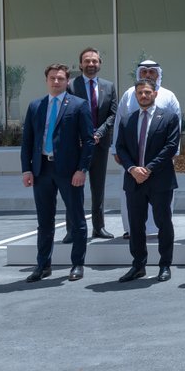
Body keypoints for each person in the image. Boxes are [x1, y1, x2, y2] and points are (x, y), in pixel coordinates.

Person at [19, 63, 93, 283]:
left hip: (69, 171)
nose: (56, 82)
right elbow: (27, 142)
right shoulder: (35, 106)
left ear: (67, 81)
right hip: (42, 169)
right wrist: (26, 169)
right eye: (52, 78)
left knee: (77, 218)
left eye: (61, 78)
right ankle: (43, 265)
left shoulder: (78, 105)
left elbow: (88, 140)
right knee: (45, 220)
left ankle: (77, 264)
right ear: (46, 80)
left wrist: (82, 169)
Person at [114, 79, 181, 283]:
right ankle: (138, 265)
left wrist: (148, 168)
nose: (144, 96)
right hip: (134, 180)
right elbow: (121, 148)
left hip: (160, 180)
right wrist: (133, 169)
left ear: (155, 94)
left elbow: (170, 146)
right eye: (140, 93)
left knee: (163, 223)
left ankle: (165, 265)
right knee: (135, 225)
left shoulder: (168, 118)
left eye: (147, 92)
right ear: (135, 96)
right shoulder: (127, 119)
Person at [112, 59, 181, 238]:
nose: (148, 75)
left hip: (160, 162)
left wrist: (175, 153)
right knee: (132, 200)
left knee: (161, 203)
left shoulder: (169, 95)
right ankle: (130, 229)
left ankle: (159, 230)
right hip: (132, 163)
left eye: (152, 72)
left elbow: (177, 125)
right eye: (144, 72)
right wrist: (116, 151)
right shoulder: (129, 94)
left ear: (158, 75)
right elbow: (120, 122)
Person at [66, 46, 116, 241]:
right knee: (74, 188)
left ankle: (99, 227)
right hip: (77, 146)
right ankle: (72, 229)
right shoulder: (71, 85)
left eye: (94, 61)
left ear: (100, 64)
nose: (91, 64)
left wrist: (100, 132)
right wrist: (84, 135)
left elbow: (113, 114)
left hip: (100, 145)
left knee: (98, 188)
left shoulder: (109, 86)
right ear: (80, 64)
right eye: (87, 61)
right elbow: (68, 114)